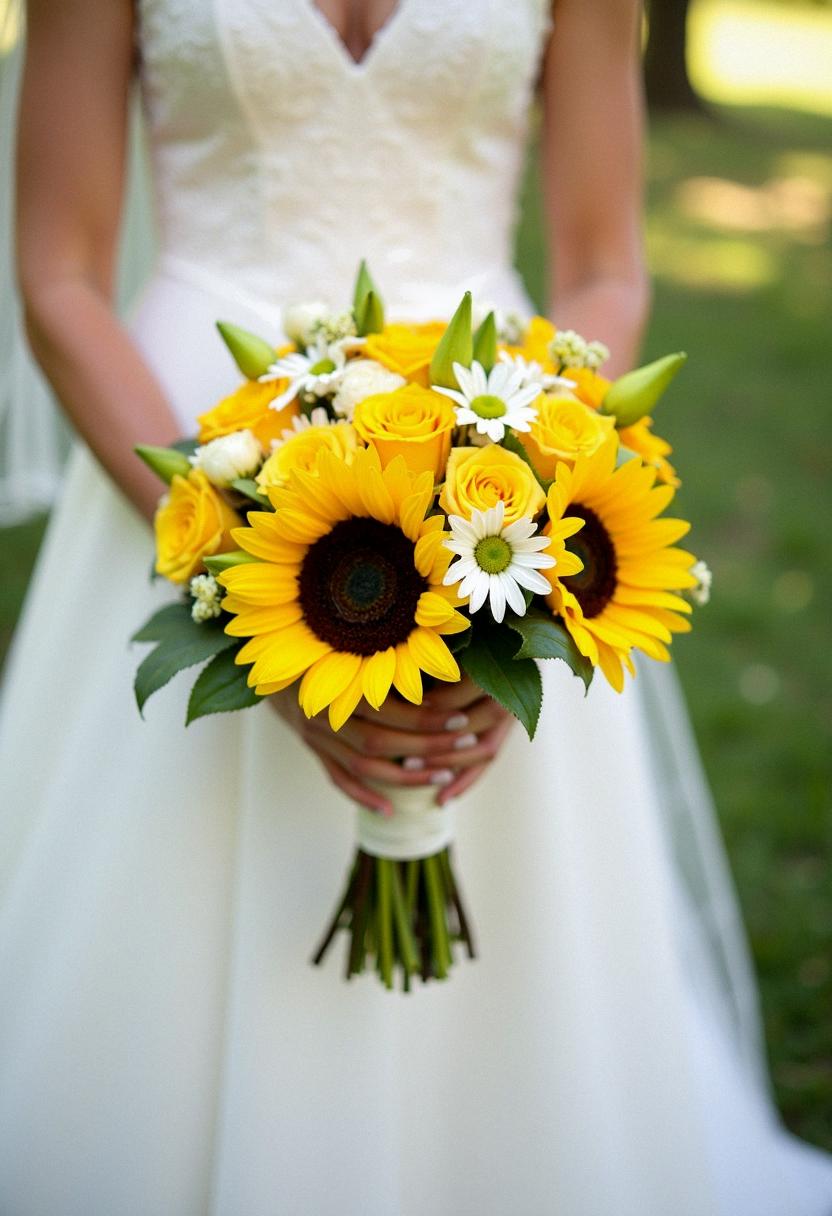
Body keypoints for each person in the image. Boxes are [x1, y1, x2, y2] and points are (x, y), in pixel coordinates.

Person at [0, 1, 830, 1213]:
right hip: (181, 442)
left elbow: (604, 269)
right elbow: (59, 275)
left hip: (493, 433)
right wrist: (240, 575)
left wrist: (525, 503)